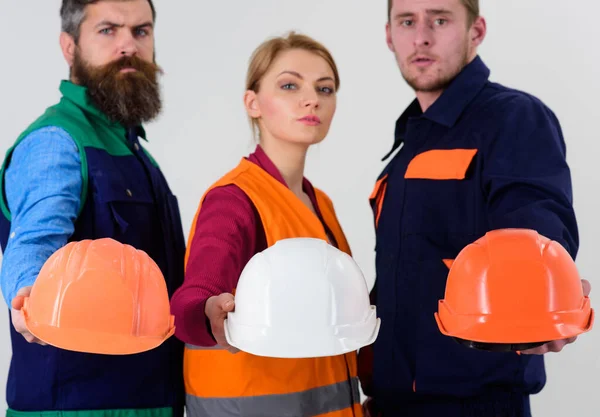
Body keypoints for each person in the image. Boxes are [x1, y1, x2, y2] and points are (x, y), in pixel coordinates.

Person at [358, 0, 592, 416]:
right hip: (390, 404)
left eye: (441, 19)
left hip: (475, 406)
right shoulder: (406, 148)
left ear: (476, 31)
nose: (422, 36)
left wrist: (541, 290)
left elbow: (536, 226)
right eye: (407, 21)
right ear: (389, 35)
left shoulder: (513, 119)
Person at [0, 1, 186, 416]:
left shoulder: (134, 151)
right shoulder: (57, 140)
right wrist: (27, 296)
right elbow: (33, 239)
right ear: (69, 46)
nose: (128, 45)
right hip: (79, 407)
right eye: (107, 31)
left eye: (141, 31)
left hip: (150, 400)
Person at [170, 32, 363, 417]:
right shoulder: (233, 199)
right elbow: (200, 288)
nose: (312, 99)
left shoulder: (319, 203)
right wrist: (205, 310)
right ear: (253, 103)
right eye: (289, 85)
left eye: (324, 88)